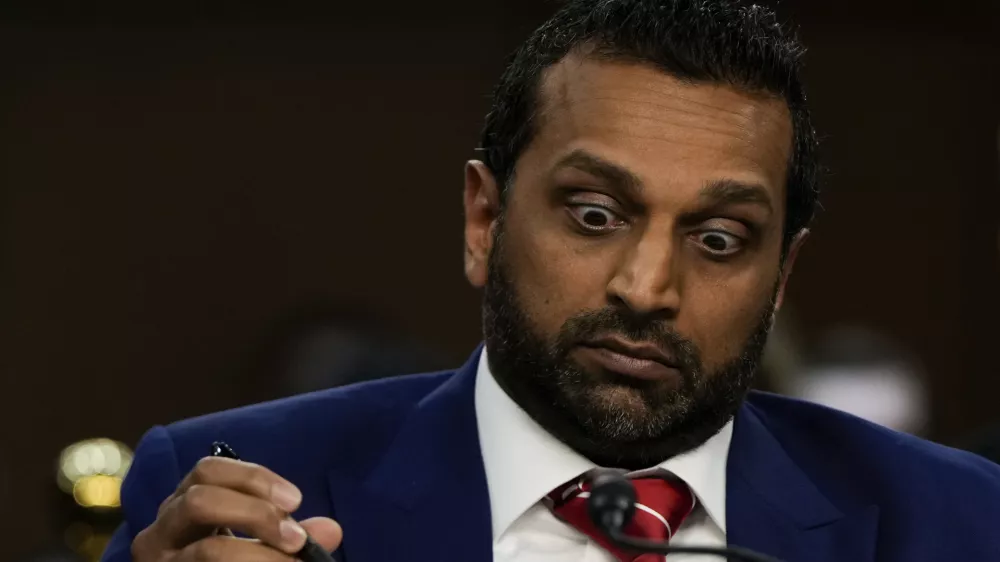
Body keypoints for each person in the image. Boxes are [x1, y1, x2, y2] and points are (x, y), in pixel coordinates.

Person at [101, 1, 1000, 561]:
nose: (647, 289)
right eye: (596, 215)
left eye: (720, 238)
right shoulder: (238, 495)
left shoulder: (959, 524)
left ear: (782, 275)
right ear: (484, 220)